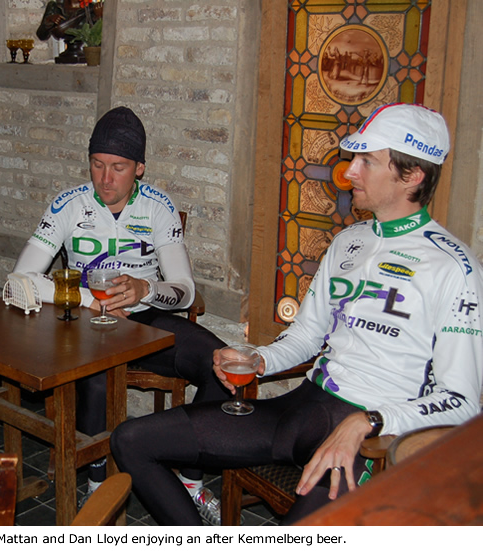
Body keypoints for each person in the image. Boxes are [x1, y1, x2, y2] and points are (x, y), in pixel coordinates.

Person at [111, 102, 483, 525]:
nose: (349, 171)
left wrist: (371, 420)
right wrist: (259, 359)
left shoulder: (455, 269)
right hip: (305, 406)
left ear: (412, 176)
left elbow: (462, 403)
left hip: (370, 435)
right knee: (132, 440)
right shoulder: (349, 242)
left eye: (367, 161)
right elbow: (306, 336)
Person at [13, 106, 228, 520]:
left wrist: (146, 289)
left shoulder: (158, 207)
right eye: (97, 165)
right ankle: (97, 485)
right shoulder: (69, 205)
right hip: (88, 320)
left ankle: (190, 480)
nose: (105, 180)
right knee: (94, 378)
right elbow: (22, 276)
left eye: (118, 167)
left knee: (221, 364)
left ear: (140, 168)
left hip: (145, 320)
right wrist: (89, 302)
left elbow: (185, 292)